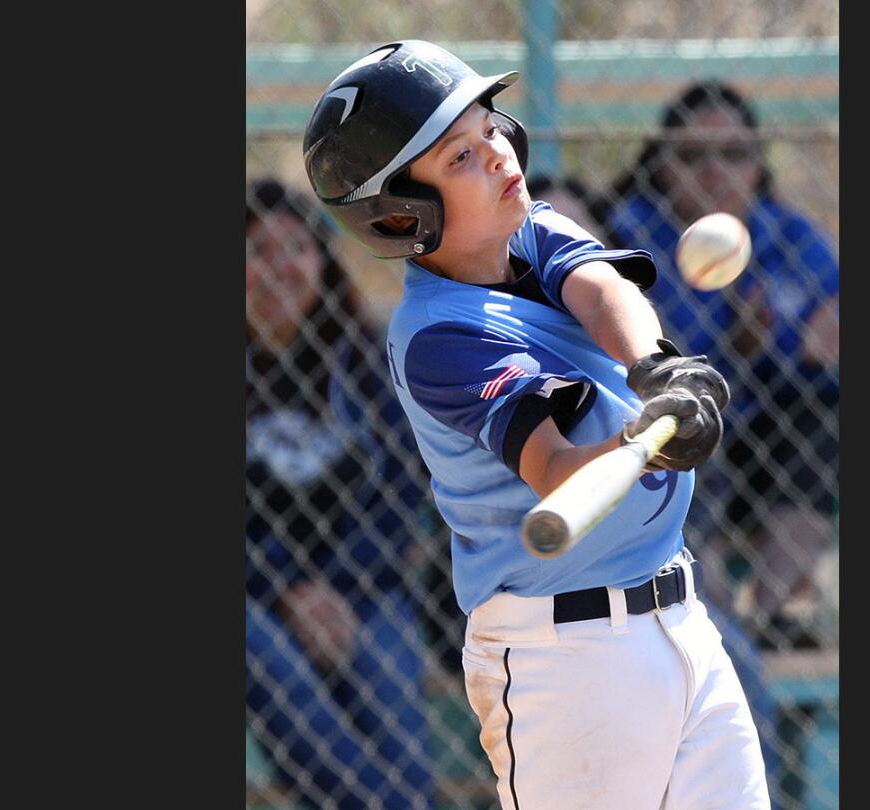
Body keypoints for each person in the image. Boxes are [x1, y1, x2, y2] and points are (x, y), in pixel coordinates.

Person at [303, 40, 771, 809]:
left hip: (679, 620)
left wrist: (653, 368)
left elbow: (597, 286)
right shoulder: (440, 334)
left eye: (488, 128)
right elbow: (553, 470)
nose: (493, 154)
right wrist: (638, 439)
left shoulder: (525, 227)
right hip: (572, 659)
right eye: (458, 157)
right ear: (400, 215)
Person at [605, 81, 840, 653]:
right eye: (692, 156)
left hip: (766, 444)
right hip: (674, 440)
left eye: (734, 154)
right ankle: (706, 614)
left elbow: (825, 335)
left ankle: (776, 614)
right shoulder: (627, 234)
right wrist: (736, 342)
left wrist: (790, 344)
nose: (714, 172)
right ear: (660, 167)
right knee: (675, 417)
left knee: (823, 413)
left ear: (758, 166)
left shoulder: (786, 235)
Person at [244, 178, 434, 809]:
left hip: (358, 584)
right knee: (282, 676)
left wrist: (338, 588)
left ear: (321, 262)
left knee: (388, 686)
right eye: (257, 251)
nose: (278, 269)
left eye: (294, 248)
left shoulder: (365, 364)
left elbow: (400, 497)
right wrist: (287, 591)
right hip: (254, 593)